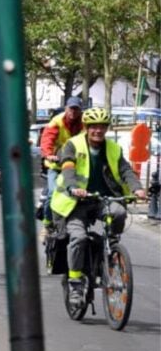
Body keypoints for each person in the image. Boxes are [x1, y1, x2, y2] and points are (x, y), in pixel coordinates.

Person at [50, 107, 145, 305]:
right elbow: (67, 167)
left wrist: (137, 189)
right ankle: (75, 282)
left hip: (102, 199)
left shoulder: (112, 148)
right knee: (78, 238)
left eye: (102, 127)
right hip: (75, 202)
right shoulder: (72, 144)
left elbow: (126, 170)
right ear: (86, 127)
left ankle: (110, 247)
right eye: (93, 127)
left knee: (119, 212)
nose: (98, 131)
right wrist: (73, 187)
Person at [40, 96, 84, 230]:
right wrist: (49, 154)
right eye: (71, 108)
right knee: (53, 193)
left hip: (74, 165)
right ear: (66, 108)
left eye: (76, 109)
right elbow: (48, 138)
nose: (73, 112)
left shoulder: (84, 122)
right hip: (57, 165)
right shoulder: (57, 121)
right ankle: (47, 223)